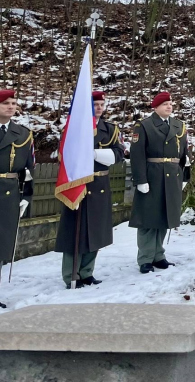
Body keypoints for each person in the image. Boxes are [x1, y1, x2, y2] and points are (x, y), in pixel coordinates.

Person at [54, 91, 125, 288]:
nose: (99, 108)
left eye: (102, 104)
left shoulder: (110, 129)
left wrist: (96, 154)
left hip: (100, 184)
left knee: (95, 231)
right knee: (74, 232)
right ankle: (71, 274)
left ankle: (87, 272)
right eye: (95, 104)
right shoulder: (74, 128)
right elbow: (65, 155)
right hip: (78, 184)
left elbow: (120, 153)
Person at [129, 91, 189, 273]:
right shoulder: (144, 126)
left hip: (172, 176)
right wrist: (140, 180)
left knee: (164, 217)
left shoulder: (179, 125)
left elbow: (184, 154)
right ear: (155, 107)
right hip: (152, 176)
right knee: (148, 219)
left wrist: (184, 176)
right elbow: (137, 155)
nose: (169, 106)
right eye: (165, 104)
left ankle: (158, 255)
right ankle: (145, 258)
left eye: (170, 103)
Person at [0, 90, 34, 308]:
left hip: (9, 195)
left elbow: (29, 170)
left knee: (1, 245)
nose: (11, 106)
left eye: (13, 103)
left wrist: (27, 196)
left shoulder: (23, 134)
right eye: (6, 103)